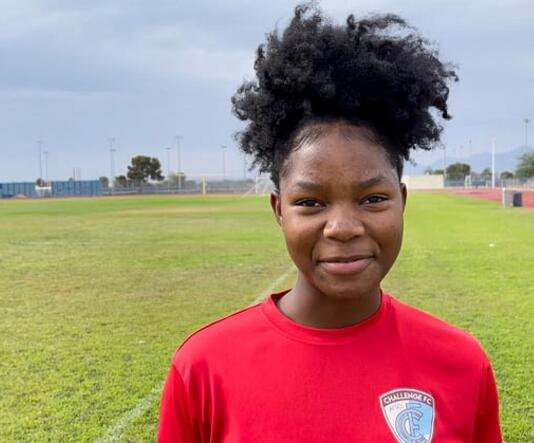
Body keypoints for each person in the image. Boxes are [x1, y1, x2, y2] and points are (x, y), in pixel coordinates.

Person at [158, 4, 501, 442]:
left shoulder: (461, 363)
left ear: (403, 201)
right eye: (311, 202)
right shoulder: (202, 368)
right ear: (279, 210)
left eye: (373, 198)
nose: (342, 227)